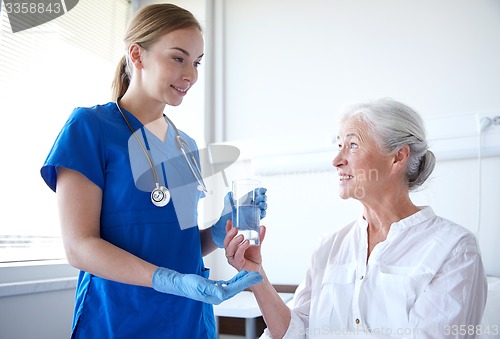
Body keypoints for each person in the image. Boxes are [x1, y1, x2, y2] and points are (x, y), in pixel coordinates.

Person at [40, 4, 265, 338]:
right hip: (119, 317)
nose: (191, 74)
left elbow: (177, 242)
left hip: (188, 319)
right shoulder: (89, 128)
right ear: (137, 54)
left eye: (197, 62)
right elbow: (79, 246)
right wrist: (168, 280)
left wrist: (217, 233)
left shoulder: (184, 144)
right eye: (178, 58)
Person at [224, 98, 487, 338]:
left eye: (352, 145)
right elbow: (297, 331)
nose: (337, 160)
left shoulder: (454, 249)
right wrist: (255, 275)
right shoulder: (329, 246)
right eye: (339, 146)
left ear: (397, 157)